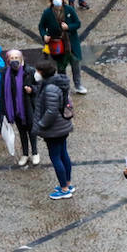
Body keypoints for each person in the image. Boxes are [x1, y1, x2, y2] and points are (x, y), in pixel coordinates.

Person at [34, 60, 76, 199]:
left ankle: (64, 189)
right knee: (63, 153)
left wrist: (41, 124)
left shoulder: (50, 88)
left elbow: (51, 111)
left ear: (42, 73)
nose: (36, 74)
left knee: (56, 157)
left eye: (37, 71)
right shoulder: (57, 83)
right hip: (62, 126)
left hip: (54, 129)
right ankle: (68, 183)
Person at [40, 0, 87, 93]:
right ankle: (64, 86)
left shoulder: (69, 9)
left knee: (76, 64)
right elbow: (41, 26)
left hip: (71, 44)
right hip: (57, 44)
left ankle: (78, 85)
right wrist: (44, 35)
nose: (57, 0)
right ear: (52, 1)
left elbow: (77, 23)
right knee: (61, 67)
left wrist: (69, 27)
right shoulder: (47, 13)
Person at [1, 50, 40, 168]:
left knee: (32, 131)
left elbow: (39, 86)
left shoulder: (30, 71)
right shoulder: (5, 74)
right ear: (8, 60)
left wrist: (32, 89)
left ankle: (35, 152)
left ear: (21, 58)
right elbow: (3, 93)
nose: (14, 60)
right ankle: (25, 154)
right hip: (14, 109)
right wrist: (4, 111)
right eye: (11, 58)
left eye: (16, 57)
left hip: (28, 107)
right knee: (22, 132)